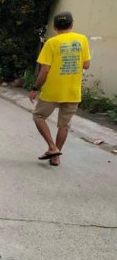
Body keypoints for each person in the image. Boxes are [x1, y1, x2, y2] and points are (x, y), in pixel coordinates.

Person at [29, 11, 91, 166]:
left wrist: (35, 87)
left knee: (38, 116)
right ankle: (56, 157)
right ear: (72, 24)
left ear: (55, 27)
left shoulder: (51, 43)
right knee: (64, 125)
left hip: (52, 90)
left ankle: (52, 147)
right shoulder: (82, 39)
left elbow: (45, 70)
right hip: (72, 90)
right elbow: (86, 65)